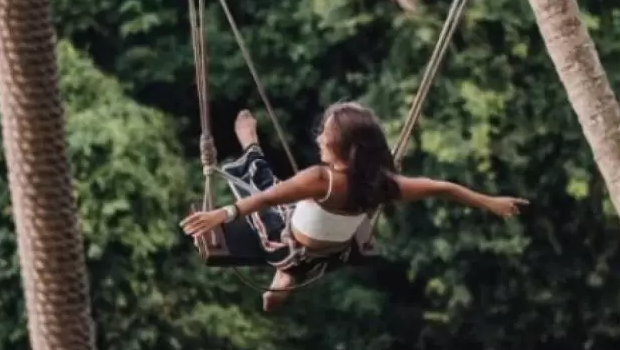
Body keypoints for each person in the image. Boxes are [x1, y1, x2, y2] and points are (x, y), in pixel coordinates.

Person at [180, 102, 528, 312]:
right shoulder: (381, 184)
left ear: (342, 146)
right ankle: (286, 278)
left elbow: (267, 198)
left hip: (284, 244)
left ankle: (250, 144)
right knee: (292, 215)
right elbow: (443, 187)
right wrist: (490, 203)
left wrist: (221, 214)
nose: (318, 139)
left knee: (261, 182)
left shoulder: (320, 179)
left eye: (325, 135)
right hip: (335, 254)